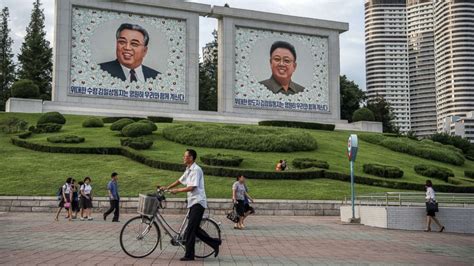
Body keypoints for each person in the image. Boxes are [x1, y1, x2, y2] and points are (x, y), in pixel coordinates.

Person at [161, 149, 221, 261]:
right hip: (192, 202)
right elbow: (180, 180)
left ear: (191, 158)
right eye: (184, 156)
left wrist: (177, 191)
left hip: (198, 202)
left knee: (190, 230)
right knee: (194, 229)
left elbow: (192, 187)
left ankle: (189, 255)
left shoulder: (196, 170)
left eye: (185, 156)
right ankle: (215, 243)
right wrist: (168, 188)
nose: (184, 158)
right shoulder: (188, 169)